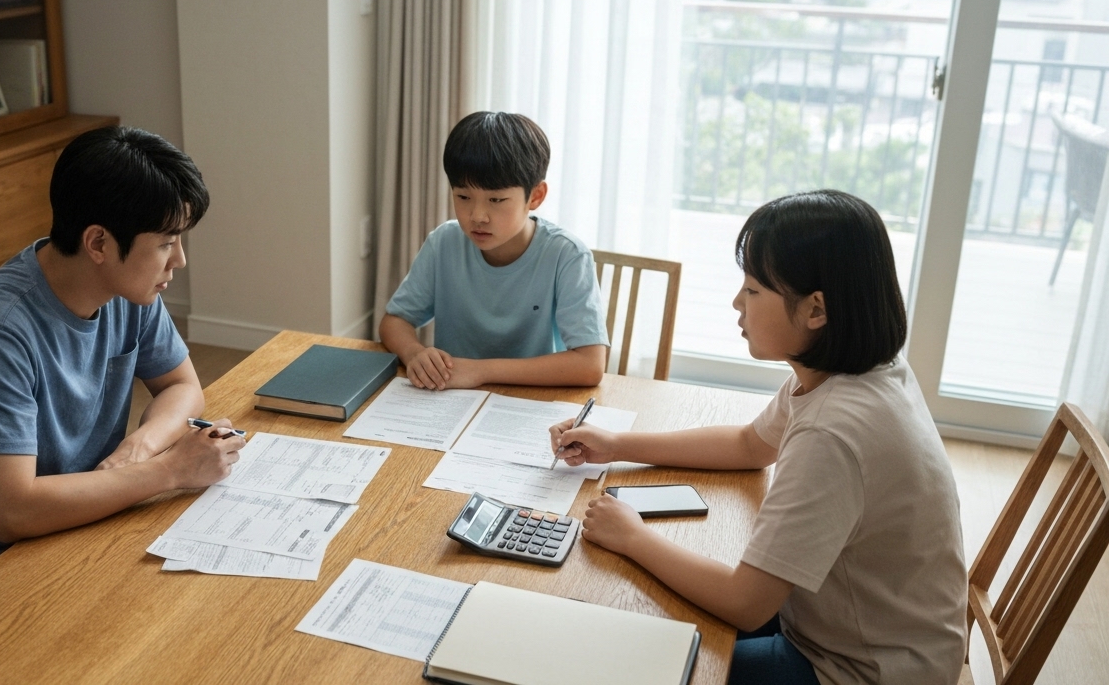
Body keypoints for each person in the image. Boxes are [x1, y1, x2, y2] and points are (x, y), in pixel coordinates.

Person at [551, 190, 966, 684]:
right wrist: (617, 444)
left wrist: (634, 536)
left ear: (816, 310)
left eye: (752, 290)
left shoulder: (834, 431)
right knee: (639, 618)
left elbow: (746, 605)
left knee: (629, 661)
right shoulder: (860, 369)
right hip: (858, 630)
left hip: (855, 670)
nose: (736, 303)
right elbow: (750, 446)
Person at [0, 126, 245, 601]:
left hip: (86, 519)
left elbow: (183, 387)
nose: (180, 261)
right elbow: (13, 513)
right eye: (166, 242)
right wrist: (170, 470)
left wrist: (139, 450)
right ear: (98, 244)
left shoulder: (128, 291)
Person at [379, 111, 609, 390]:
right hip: (451, 401)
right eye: (463, 197)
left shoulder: (567, 256)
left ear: (535, 196)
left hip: (533, 402)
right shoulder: (444, 243)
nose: (478, 216)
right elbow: (394, 321)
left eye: (496, 199)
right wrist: (415, 353)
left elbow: (590, 365)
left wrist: (480, 371)